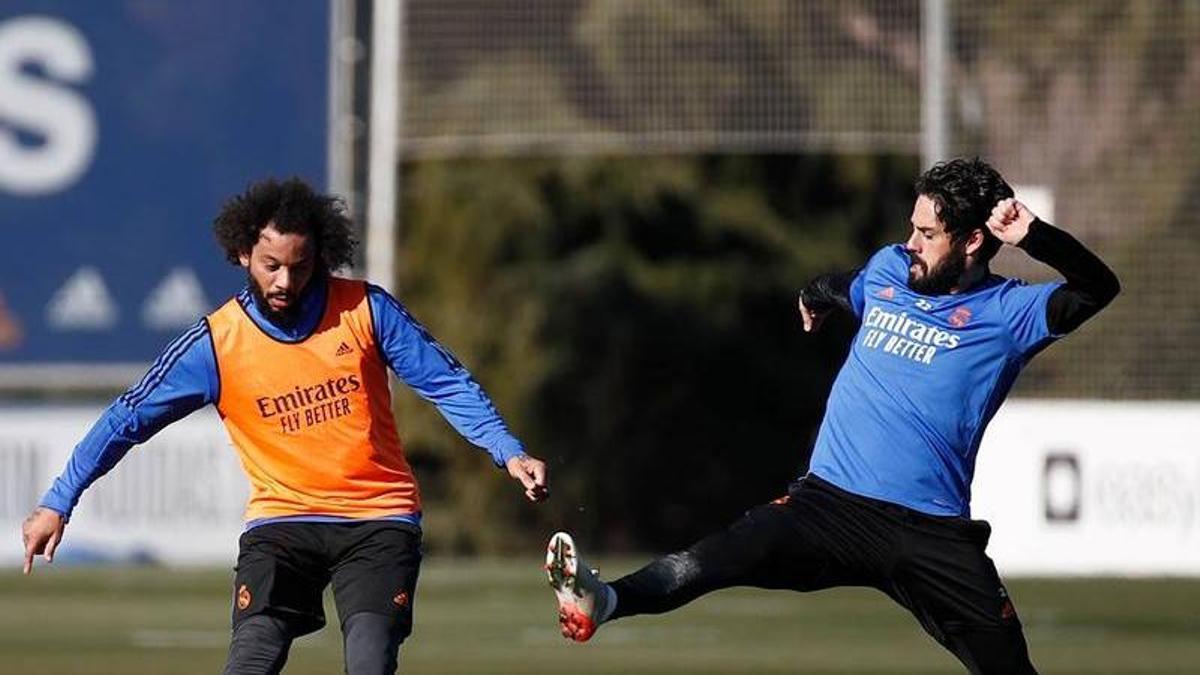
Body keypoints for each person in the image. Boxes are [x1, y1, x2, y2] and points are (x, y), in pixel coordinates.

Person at [544, 158, 1119, 674]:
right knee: (712, 559)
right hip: (828, 506)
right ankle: (605, 600)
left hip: (930, 534)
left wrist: (1033, 235)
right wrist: (814, 295)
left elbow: (1098, 288)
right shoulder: (892, 269)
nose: (911, 242)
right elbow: (846, 286)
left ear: (972, 241)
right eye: (911, 228)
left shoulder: (1009, 313)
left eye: (927, 233)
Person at [21, 177, 549, 675]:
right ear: (243, 254)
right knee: (251, 658)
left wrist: (508, 450)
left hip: (378, 517)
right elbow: (127, 418)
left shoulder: (366, 310)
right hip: (282, 523)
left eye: (299, 266)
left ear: (319, 256)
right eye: (271, 265)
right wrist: (57, 501)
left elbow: (447, 382)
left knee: (370, 661)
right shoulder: (216, 343)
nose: (285, 281)